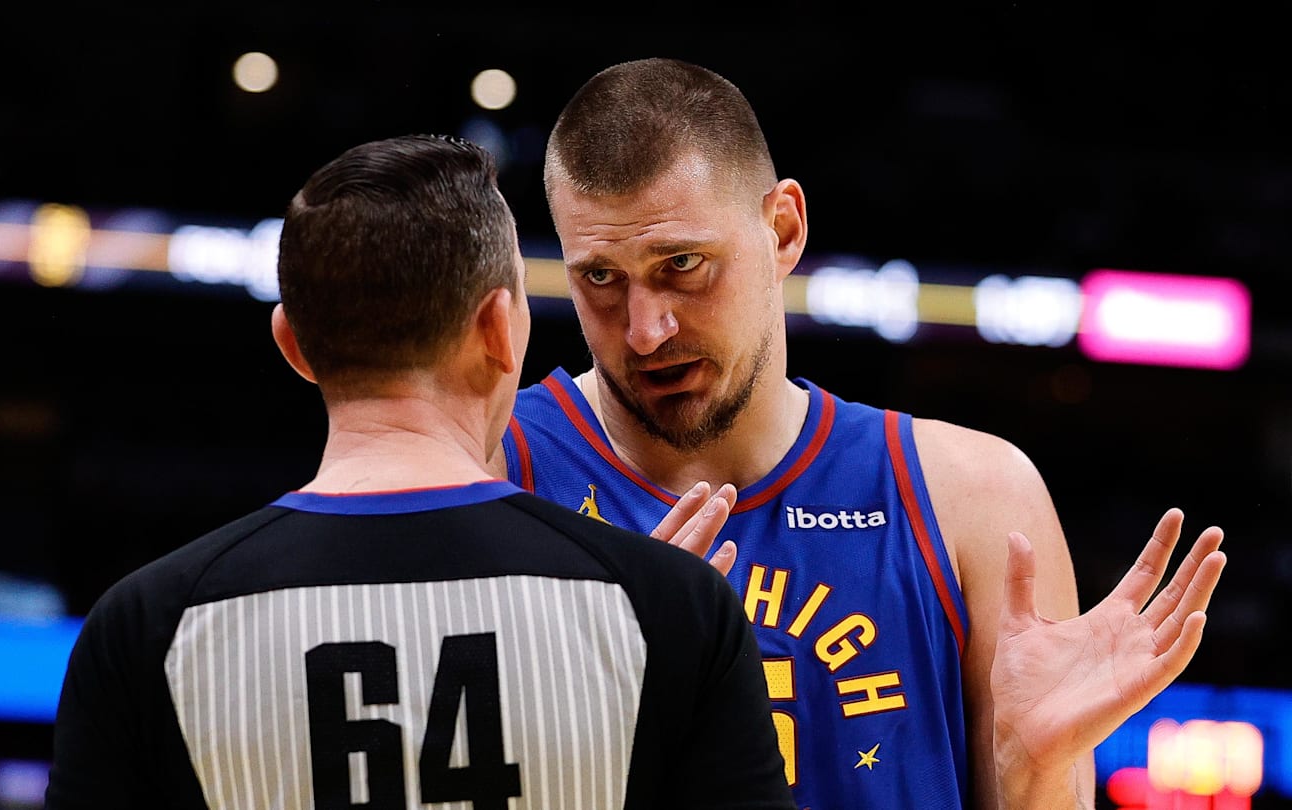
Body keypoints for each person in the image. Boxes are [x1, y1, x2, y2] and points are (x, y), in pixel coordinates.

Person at [496, 58, 1228, 809]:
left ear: (783, 231)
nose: (646, 331)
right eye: (601, 278)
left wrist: (1033, 773)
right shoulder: (489, 468)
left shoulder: (974, 496)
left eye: (683, 265)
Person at [44, 133, 796, 809]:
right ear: (499, 327)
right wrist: (645, 640)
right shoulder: (665, 610)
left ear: (293, 345)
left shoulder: (143, 627)